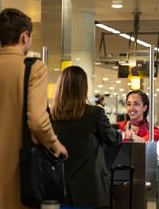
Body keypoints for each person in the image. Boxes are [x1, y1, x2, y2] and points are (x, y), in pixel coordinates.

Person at [0, 8, 68, 209]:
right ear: (24, 36)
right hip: (17, 190)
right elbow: (38, 121)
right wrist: (56, 146)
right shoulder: (34, 68)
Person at [51, 66, 123, 209]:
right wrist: (122, 134)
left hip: (59, 188)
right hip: (91, 190)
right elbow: (113, 139)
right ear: (83, 88)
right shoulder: (94, 113)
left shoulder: (50, 115)